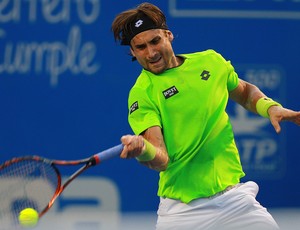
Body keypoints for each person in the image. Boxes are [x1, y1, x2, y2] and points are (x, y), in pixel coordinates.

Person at [111, 2, 300, 230]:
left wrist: (270, 107)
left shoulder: (210, 61)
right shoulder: (142, 94)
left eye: (155, 41)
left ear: (168, 35)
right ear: (132, 52)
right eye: (140, 47)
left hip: (235, 200)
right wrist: (143, 150)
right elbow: (160, 158)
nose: (151, 53)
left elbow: (244, 92)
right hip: (183, 213)